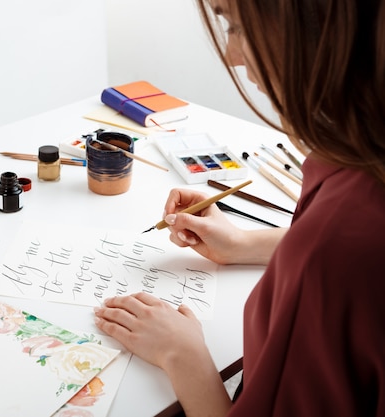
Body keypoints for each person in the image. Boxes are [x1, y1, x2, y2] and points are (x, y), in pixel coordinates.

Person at [93, 0, 385, 416]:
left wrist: (183, 355)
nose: (232, 56)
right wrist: (245, 244)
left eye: (235, 26)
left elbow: (342, 255)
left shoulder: (336, 242)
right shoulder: (357, 158)